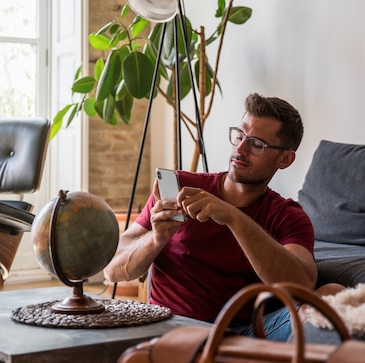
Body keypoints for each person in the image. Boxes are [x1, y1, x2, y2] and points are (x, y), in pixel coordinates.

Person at [104, 93, 317, 341]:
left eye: (256, 144)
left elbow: (302, 285)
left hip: (238, 335)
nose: (240, 149)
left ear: (285, 159)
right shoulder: (183, 187)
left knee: (328, 300)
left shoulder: (288, 216)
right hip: (167, 326)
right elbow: (112, 270)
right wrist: (155, 239)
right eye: (239, 135)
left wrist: (233, 218)